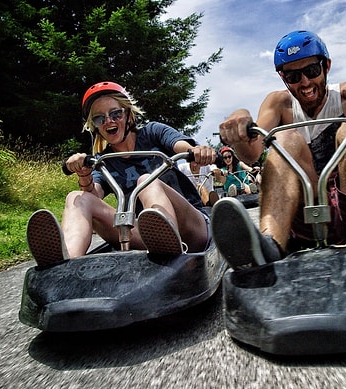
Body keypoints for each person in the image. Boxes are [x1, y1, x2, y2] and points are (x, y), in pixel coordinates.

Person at [211, 30, 346, 270]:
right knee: (286, 137)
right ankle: (270, 246)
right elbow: (252, 153)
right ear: (283, 78)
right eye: (293, 76)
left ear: (326, 66)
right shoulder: (278, 104)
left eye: (311, 71)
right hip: (303, 215)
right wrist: (239, 127)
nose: (305, 82)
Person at [26, 81, 217, 267]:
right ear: (95, 126)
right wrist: (84, 174)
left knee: (146, 181)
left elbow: (178, 144)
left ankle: (171, 250)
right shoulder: (103, 160)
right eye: (100, 118)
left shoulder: (152, 132)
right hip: (146, 237)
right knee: (77, 197)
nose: (109, 121)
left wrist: (197, 151)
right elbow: (93, 197)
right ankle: (64, 265)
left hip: (193, 228)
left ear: (128, 115)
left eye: (115, 113)